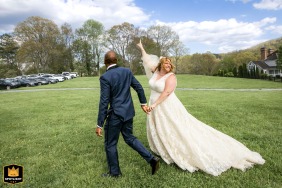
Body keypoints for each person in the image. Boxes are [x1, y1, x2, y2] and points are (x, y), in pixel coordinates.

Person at [137, 40, 265, 176]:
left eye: (170, 64)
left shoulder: (171, 77)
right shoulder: (155, 71)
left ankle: (178, 150)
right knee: (160, 127)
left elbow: (166, 93)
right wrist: (141, 48)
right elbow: (147, 61)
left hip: (166, 105)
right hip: (155, 104)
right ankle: (163, 148)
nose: (168, 65)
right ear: (161, 65)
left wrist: (154, 105)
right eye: (166, 63)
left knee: (175, 127)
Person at [95, 50, 160, 178]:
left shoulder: (105, 77)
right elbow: (139, 87)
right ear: (116, 60)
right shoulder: (127, 71)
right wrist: (143, 104)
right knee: (129, 138)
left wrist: (99, 124)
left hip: (115, 115)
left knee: (110, 144)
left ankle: (115, 173)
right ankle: (152, 159)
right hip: (128, 113)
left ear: (104, 62)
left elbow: (104, 102)